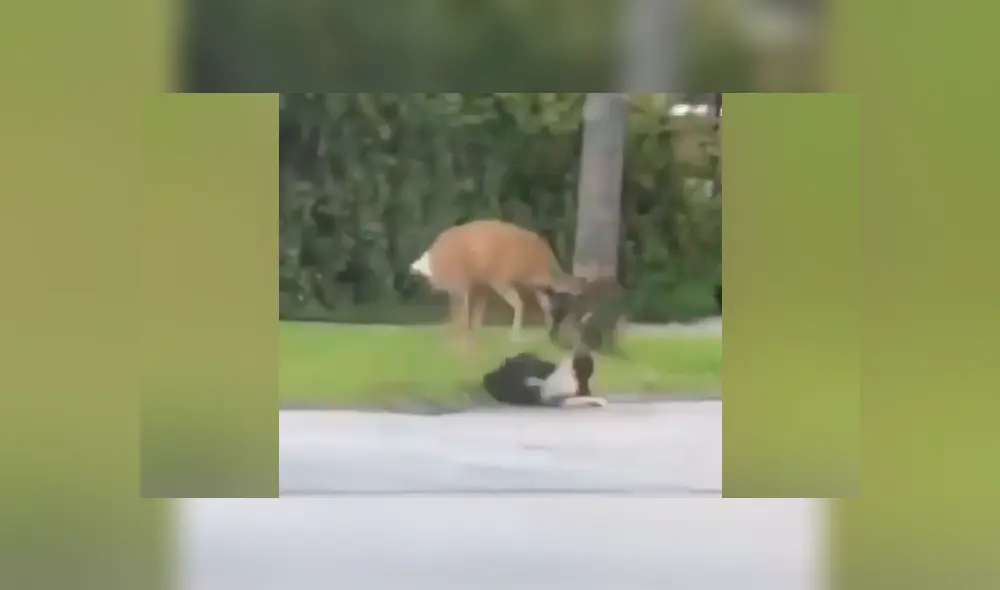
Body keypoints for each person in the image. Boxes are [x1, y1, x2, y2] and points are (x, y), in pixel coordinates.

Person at [481, 349, 607, 408]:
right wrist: (590, 400)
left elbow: (560, 401)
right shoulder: (565, 379)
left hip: (520, 382)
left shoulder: (564, 379)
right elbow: (560, 401)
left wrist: (590, 400)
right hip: (523, 381)